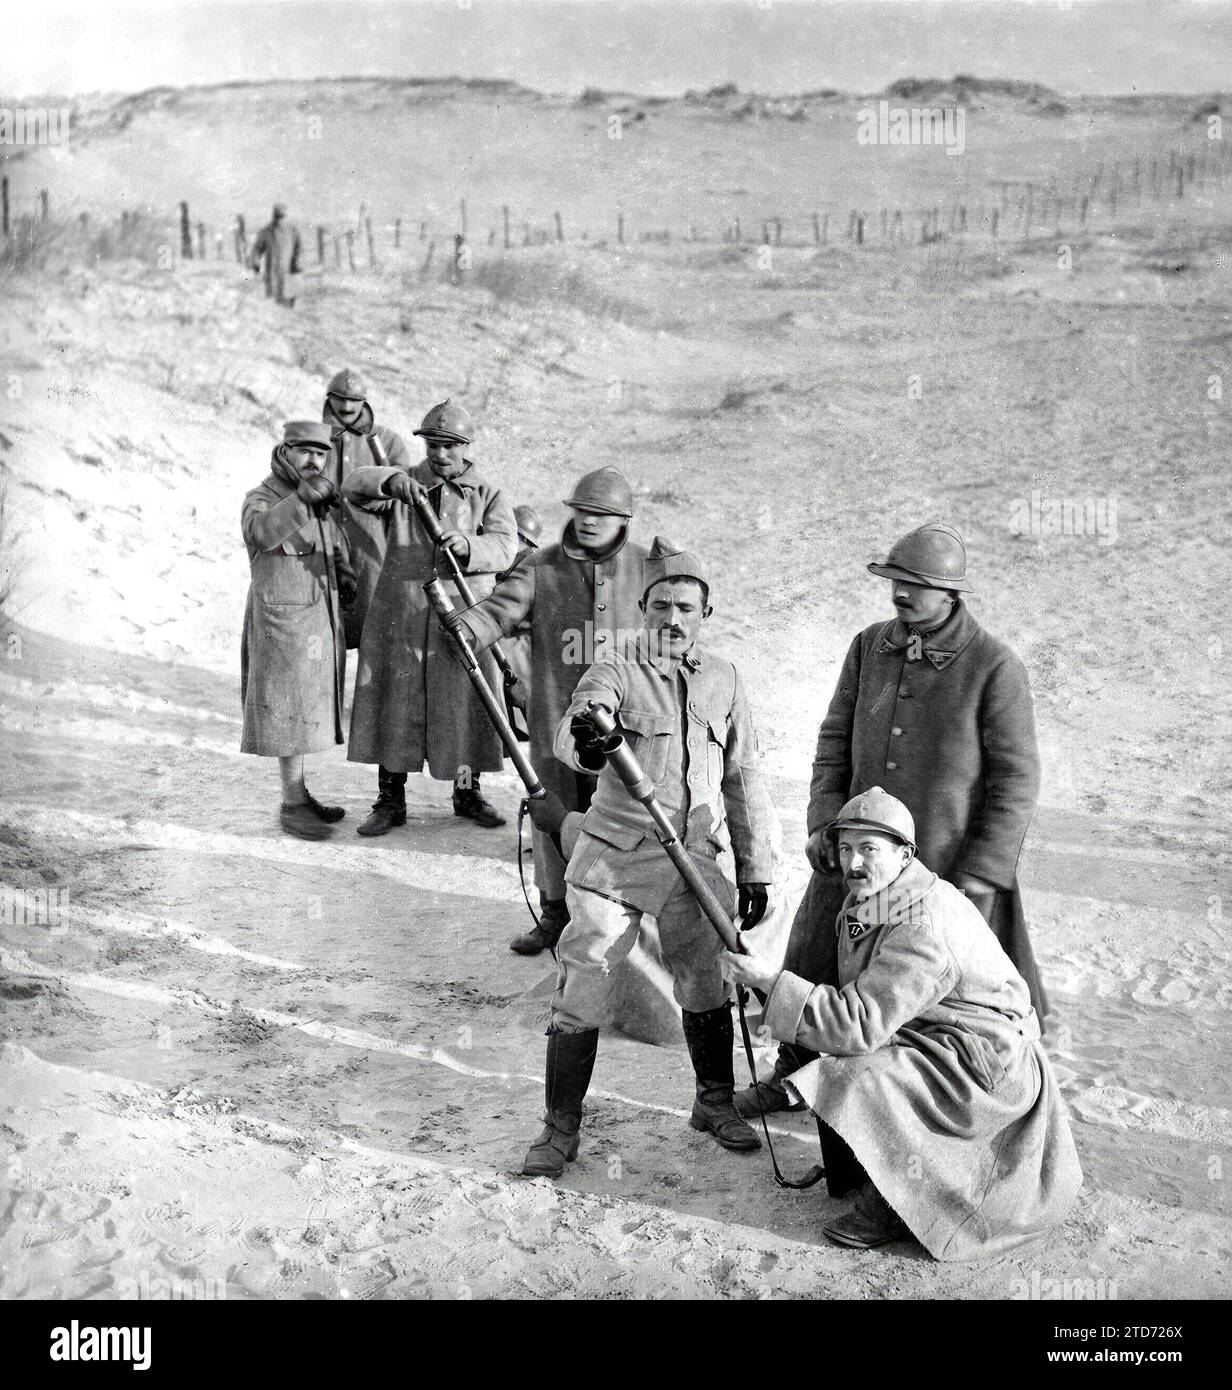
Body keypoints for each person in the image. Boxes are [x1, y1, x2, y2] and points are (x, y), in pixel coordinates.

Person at [737, 522, 1044, 1118]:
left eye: (916, 584)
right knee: (816, 957)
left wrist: (980, 873)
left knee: (918, 996)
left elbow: (1016, 780)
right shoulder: (868, 646)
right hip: (853, 857)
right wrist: (826, 824)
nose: (900, 594)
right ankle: (793, 1077)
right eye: (895, 580)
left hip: (937, 869)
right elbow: (834, 743)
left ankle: (905, 1117)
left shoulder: (994, 666)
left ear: (952, 593)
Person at [722, 787, 1081, 1258]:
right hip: (943, 1042)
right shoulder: (887, 893)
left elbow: (859, 1025)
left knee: (854, 1075)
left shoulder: (920, 924)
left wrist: (772, 982)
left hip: (986, 1071)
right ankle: (879, 1176)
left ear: (904, 854)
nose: (853, 864)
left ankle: (900, 1205)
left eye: (869, 849)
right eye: (846, 848)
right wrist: (775, 978)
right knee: (847, 1060)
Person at [519, 537, 775, 1179]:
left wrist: (755, 866)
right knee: (585, 985)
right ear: (643, 606)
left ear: (705, 614)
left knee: (706, 980)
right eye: (661, 605)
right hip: (615, 861)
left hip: (693, 860)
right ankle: (559, 1130)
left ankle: (713, 1103)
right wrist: (586, 734)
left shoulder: (724, 678)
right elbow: (575, 727)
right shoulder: (615, 664)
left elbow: (742, 778)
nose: (672, 619)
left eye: (686, 607)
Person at [459, 468, 648, 955]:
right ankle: (555, 912)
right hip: (554, 720)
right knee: (553, 810)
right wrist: (468, 628)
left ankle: (622, 918)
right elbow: (499, 609)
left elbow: (676, 628)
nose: (587, 521)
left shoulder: (648, 568)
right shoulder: (541, 566)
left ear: (623, 519)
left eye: (600, 514)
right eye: (580, 511)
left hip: (623, 727)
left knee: (622, 816)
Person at [342, 399, 518, 833]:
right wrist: (390, 481)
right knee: (393, 708)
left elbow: (506, 545)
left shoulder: (488, 494)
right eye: (433, 446)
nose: (439, 455)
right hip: (400, 613)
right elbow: (354, 488)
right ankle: (390, 800)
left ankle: (466, 792)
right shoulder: (406, 488)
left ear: (465, 448)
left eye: (448, 447)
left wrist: (469, 547)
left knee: (463, 708)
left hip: (460, 615)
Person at [240, 420, 352, 839]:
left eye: (320, 454)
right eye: (304, 451)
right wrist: (302, 500)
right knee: (285, 714)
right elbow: (262, 533)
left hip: (312, 622)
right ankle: (290, 804)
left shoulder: (318, 496)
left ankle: (300, 794)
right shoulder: (261, 498)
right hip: (279, 626)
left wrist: (344, 570)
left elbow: (328, 544)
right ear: (284, 451)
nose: (313, 460)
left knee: (303, 714)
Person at [320, 368, 412, 650]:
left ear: (366, 403)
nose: (346, 406)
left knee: (375, 628)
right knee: (324, 629)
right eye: (339, 398)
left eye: (354, 400)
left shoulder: (387, 441)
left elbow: (403, 496)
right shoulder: (314, 439)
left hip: (372, 548)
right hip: (323, 544)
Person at [249, 203, 302, 307]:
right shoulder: (267, 231)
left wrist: (297, 264)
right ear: (274, 216)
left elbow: (299, 249)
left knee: (288, 302)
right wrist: (256, 265)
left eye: (281, 217)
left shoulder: (292, 231)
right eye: (278, 217)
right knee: (274, 304)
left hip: (288, 272)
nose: (280, 220)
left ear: (285, 216)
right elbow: (256, 249)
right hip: (272, 273)